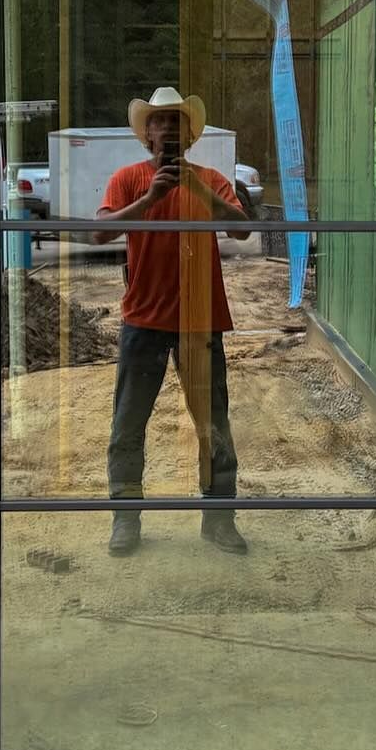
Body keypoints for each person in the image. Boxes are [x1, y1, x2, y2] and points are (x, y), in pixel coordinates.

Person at [92, 87, 252, 557]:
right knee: (128, 424)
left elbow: (242, 227)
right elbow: (100, 230)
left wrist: (195, 190)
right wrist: (149, 198)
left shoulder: (211, 179)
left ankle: (219, 520)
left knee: (213, 425)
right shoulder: (126, 179)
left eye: (174, 122)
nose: (165, 130)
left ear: (189, 135)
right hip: (143, 320)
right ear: (146, 135)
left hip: (201, 322)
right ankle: (125, 521)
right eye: (158, 123)